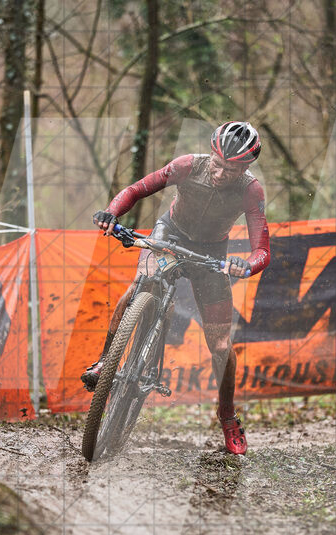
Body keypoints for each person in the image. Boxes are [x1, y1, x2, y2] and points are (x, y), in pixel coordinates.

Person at [85, 121, 271, 455]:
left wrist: (246, 265)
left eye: (230, 169)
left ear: (245, 167)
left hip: (211, 254)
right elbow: (136, 190)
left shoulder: (251, 190)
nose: (219, 173)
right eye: (217, 163)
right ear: (210, 154)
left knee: (220, 345)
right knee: (139, 288)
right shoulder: (187, 165)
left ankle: (227, 415)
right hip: (169, 235)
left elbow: (263, 251)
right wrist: (112, 212)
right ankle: (104, 363)